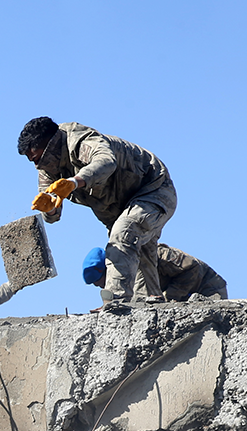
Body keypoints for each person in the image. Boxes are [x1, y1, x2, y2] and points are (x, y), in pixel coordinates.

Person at [17, 117, 176, 306]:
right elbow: (52, 211)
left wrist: (75, 182)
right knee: (136, 259)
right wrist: (49, 209)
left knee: (125, 233)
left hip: (154, 189)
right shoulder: (47, 169)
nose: (37, 166)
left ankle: (115, 302)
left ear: (51, 144)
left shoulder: (80, 140)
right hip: (118, 210)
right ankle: (149, 305)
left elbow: (106, 161)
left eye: (37, 158)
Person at [82, 245, 227, 302]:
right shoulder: (126, 278)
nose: (102, 287)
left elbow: (192, 268)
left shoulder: (152, 255)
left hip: (208, 289)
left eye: (101, 281)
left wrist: (169, 296)